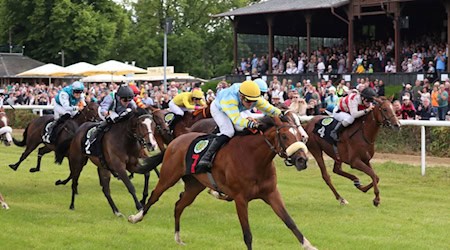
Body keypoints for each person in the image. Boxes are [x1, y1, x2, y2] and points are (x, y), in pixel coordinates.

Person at [197, 80, 281, 168]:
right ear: (241, 96)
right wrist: (251, 124)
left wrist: (282, 113)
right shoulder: (230, 99)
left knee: (244, 126)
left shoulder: (253, 97)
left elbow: (270, 109)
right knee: (228, 131)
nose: (251, 104)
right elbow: (236, 119)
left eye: (254, 101)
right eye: (248, 101)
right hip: (219, 109)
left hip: (237, 108)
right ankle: (206, 157)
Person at [86, 85, 137, 152]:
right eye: (125, 100)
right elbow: (103, 110)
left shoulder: (129, 99)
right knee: (110, 121)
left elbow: (136, 109)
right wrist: (106, 113)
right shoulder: (110, 97)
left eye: (129, 100)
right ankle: (90, 142)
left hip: (119, 112)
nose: (127, 102)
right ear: (119, 98)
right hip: (106, 111)